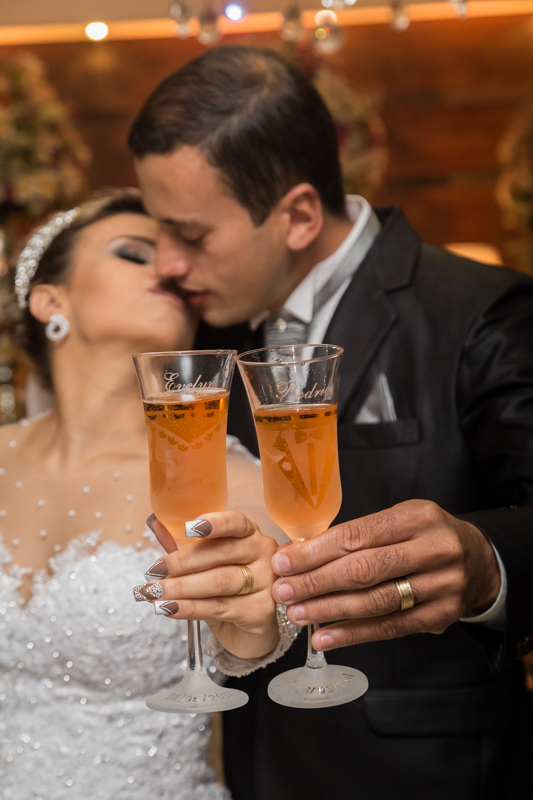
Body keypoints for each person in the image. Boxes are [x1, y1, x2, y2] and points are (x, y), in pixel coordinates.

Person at [128, 46, 533, 800]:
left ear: (300, 215)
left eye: (189, 234)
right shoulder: (209, 328)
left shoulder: (479, 312)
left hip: (427, 773)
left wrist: (485, 561)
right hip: (250, 766)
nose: (167, 264)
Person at [0, 188, 294, 800]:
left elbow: (256, 627)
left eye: (174, 258)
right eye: (135, 253)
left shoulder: (227, 477)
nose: (167, 267)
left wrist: (257, 611)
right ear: (51, 300)